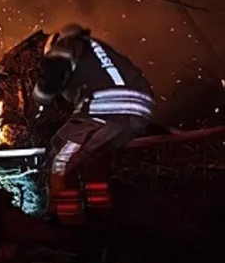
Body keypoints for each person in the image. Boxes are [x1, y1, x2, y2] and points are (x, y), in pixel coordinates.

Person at [33, 23, 153, 225]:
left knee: (61, 155)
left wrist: (40, 100)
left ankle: (64, 221)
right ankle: (100, 218)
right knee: (94, 160)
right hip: (139, 108)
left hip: (106, 107)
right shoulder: (101, 49)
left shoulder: (65, 45)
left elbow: (51, 78)